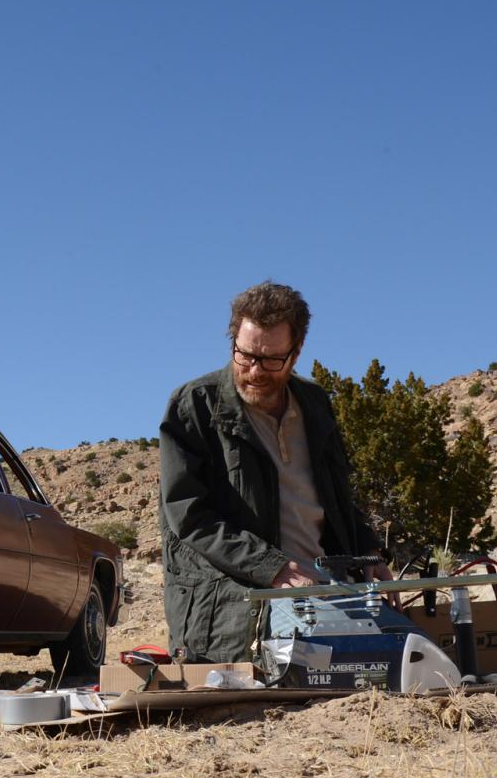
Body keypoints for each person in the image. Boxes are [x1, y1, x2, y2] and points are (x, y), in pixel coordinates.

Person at [158, 280, 387, 663]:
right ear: (233, 340)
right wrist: (272, 567)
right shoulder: (194, 406)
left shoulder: (315, 404)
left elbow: (337, 496)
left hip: (326, 597)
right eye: (245, 355)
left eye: (271, 360)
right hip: (236, 615)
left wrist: (368, 550)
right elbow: (190, 517)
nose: (255, 371)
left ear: (296, 353)